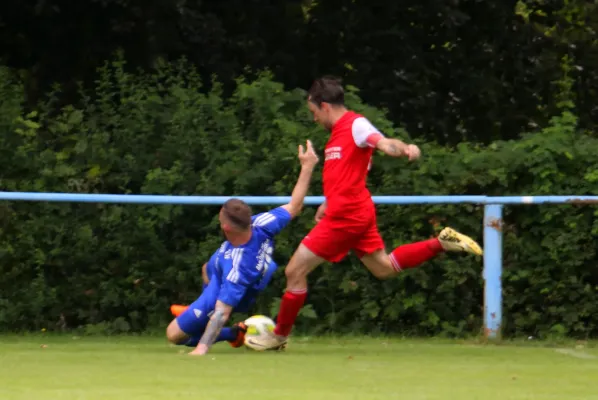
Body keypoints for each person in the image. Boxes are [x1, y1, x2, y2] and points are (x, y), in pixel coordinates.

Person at [245, 76, 484, 351]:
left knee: (294, 271)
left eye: (313, 113)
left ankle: (279, 336)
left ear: (324, 106)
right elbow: (345, 174)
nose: (314, 120)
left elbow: (381, 143)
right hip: (354, 211)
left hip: (346, 217)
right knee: (383, 268)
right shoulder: (337, 134)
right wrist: (327, 201)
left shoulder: (355, 124)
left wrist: (404, 149)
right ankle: (440, 242)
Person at [165, 140, 319, 356]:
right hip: (221, 270)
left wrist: (201, 349)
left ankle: (233, 333)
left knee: (174, 335)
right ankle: (199, 312)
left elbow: (222, 313)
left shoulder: (238, 269)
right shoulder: (261, 224)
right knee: (206, 268)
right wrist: (307, 167)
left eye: (220, 218)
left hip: (229, 284)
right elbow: (295, 206)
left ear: (227, 227)